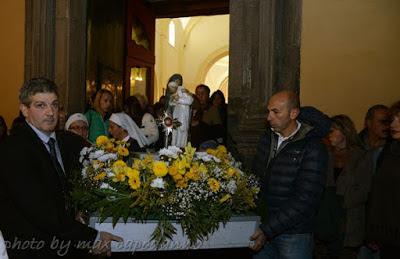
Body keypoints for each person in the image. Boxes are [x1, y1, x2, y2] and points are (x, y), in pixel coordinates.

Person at [0, 78, 121, 258]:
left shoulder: (70, 142)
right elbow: (40, 210)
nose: (50, 112)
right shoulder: (14, 150)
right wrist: (91, 238)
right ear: (25, 110)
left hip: (67, 246)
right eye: (40, 105)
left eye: (55, 105)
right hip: (33, 249)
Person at [250, 90, 328, 258]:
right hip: (263, 227)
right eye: (268, 111)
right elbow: (256, 179)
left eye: (275, 112)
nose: (269, 117)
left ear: (293, 113)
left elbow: (306, 199)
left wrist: (268, 229)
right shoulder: (267, 139)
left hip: (294, 234)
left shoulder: (312, 147)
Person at [366, 101, 400, 259]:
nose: (393, 124)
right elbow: (378, 193)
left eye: (399, 119)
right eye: (392, 119)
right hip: (388, 234)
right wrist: (373, 231)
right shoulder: (389, 151)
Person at [166, 74, 193, 148]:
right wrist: (172, 100)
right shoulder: (174, 93)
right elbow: (171, 103)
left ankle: (181, 148)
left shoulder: (183, 90)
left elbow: (190, 100)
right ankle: (173, 147)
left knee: (182, 131)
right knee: (175, 131)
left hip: (183, 113)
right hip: (176, 114)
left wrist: (179, 100)